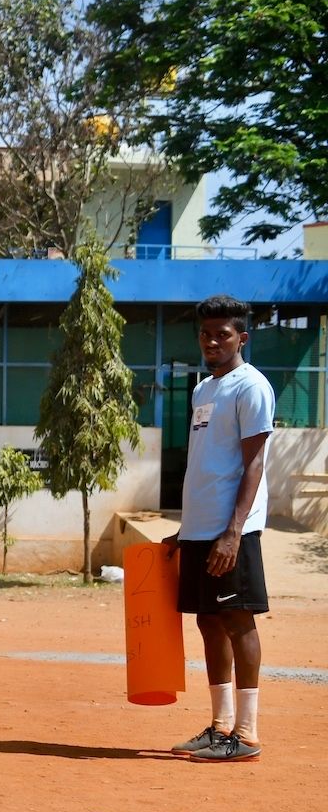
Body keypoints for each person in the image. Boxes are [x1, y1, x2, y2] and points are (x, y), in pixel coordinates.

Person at [163, 295, 275, 763]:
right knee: (208, 621)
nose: (212, 341)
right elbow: (207, 464)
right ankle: (220, 726)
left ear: (241, 337)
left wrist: (233, 531)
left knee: (237, 619)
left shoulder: (252, 387)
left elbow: (252, 464)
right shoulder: (203, 390)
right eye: (206, 334)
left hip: (235, 530)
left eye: (222, 334)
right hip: (200, 528)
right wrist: (187, 530)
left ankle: (246, 734)